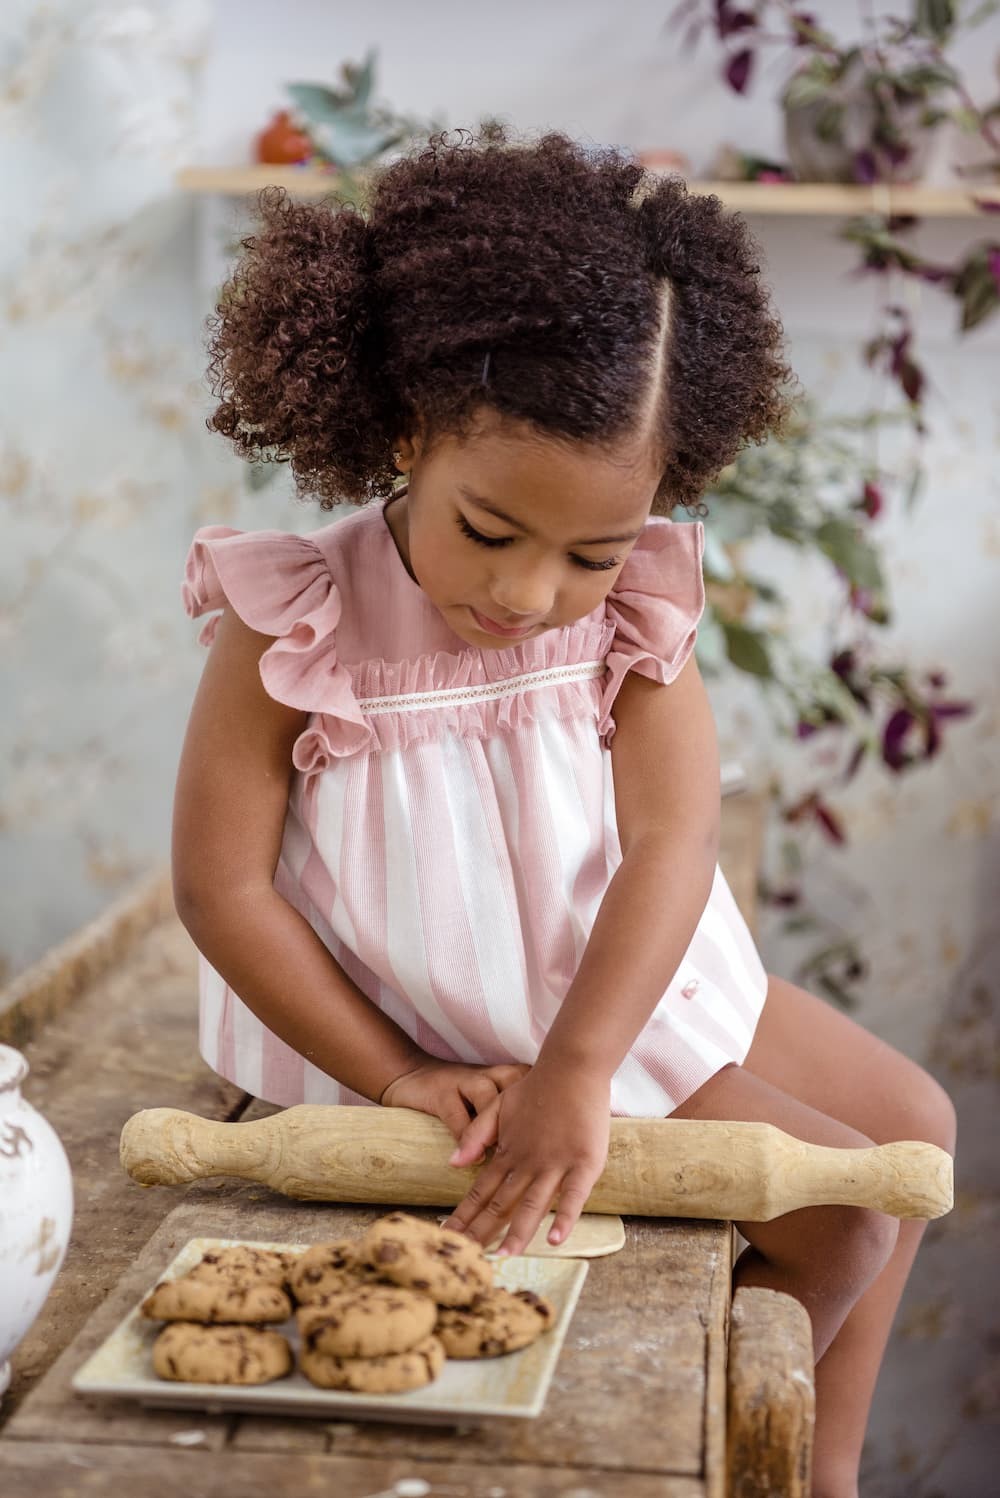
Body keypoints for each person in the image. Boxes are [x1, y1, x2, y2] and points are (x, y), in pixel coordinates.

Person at [174, 128, 956, 1496]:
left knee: (918, 1123)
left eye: (589, 551)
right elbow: (221, 888)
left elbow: (673, 841)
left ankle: (822, 1464)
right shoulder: (293, 619)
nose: (533, 593)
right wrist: (401, 1075)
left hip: (614, 992)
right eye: (491, 531)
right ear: (410, 427)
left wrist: (587, 1063)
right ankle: (712, 1448)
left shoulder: (636, 607)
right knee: (841, 1211)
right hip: (463, 1022)